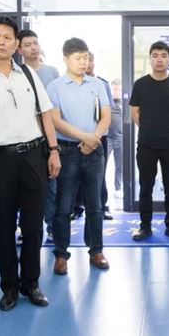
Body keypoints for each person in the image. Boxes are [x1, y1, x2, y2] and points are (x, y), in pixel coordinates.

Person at [0, 17, 61, 311]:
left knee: (33, 226)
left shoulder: (28, 74)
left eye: (7, 37)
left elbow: (45, 115)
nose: (1, 41)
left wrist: (53, 151)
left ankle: (31, 283)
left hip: (33, 157)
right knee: (4, 228)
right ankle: (10, 288)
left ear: (16, 43)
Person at [47, 38, 111, 275]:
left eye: (86, 58)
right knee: (64, 206)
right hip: (67, 151)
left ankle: (96, 251)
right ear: (66, 59)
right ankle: (61, 254)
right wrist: (85, 137)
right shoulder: (55, 86)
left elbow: (105, 116)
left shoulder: (97, 84)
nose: (83, 62)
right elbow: (55, 120)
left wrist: (94, 138)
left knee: (95, 205)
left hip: (94, 151)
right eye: (78, 58)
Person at [129, 41, 169, 242]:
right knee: (146, 187)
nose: (159, 59)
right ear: (150, 59)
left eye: (163, 56)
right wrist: (148, 127)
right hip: (146, 145)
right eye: (155, 55)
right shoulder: (140, 84)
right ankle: (145, 226)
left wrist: (163, 126)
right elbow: (135, 112)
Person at [18, 29, 60, 242]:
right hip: (25, 139)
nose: (33, 48)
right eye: (28, 45)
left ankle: (52, 227)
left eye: (35, 43)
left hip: (50, 138)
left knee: (52, 186)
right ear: (19, 49)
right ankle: (24, 228)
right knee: (24, 188)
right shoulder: (17, 73)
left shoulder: (52, 72)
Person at [71, 51, 115, 220]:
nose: (87, 63)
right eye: (82, 59)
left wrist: (98, 134)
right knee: (76, 172)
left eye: (90, 60)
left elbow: (108, 111)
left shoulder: (102, 84)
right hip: (78, 136)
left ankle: (102, 206)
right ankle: (77, 207)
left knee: (100, 173)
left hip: (99, 135)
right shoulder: (70, 84)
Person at [107, 78, 123, 197]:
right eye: (114, 89)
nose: (116, 92)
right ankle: (102, 191)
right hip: (108, 139)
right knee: (102, 166)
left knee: (119, 166)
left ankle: (118, 189)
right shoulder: (107, 102)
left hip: (121, 139)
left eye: (118, 89)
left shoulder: (126, 103)